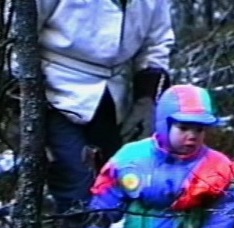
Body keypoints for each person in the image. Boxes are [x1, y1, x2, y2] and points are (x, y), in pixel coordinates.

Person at [9, 0, 175, 216]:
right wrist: (23, 97)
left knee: (119, 180)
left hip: (115, 94)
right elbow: (17, 33)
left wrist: (147, 100)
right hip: (54, 89)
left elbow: (157, 43)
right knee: (74, 179)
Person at [85, 84, 234, 228]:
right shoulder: (132, 158)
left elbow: (231, 200)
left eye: (199, 129)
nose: (192, 136)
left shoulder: (215, 165)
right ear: (164, 124)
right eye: (184, 128)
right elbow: (103, 207)